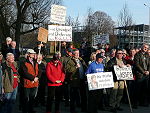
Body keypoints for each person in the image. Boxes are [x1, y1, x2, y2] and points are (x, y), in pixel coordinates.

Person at [66, 49, 87, 113]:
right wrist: (75, 67)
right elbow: (68, 70)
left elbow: (85, 67)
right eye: (76, 53)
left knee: (83, 96)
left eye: (78, 53)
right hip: (74, 81)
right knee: (73, 96)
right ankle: (72, 110)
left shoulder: (81, 60)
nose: (77, 54)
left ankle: (84, 109)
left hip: (82, 80)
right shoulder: (70, 61)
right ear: (73, 54)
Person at [21, 49, 40, 113]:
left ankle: (31, 110)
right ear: (28, 54)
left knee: (32, 98)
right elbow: (25, 73)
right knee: (26, 98)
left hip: (35, 83)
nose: (33, 54)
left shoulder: (35, 62)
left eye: (34, 53)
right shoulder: (24, 62)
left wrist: (37, 78)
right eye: (32, 53)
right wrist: (33, 78)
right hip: (27, 83)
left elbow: (39, 71)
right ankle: (25, 110)